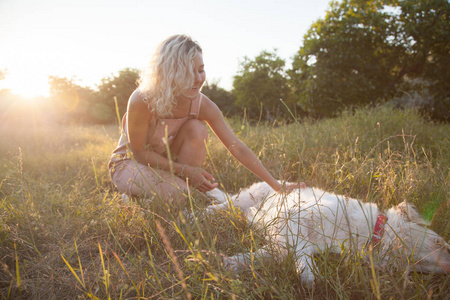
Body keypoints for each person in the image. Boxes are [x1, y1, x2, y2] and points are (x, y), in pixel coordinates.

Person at [108, 34, 302, 202]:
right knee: (183, 195)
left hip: (170, 167)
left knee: (197, 128)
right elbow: (139, 153)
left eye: (200, 70)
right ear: (170, 74)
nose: (198, 79)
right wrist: (185, 171)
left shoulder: (203, 105)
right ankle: (144, 195)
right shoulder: (142, 99)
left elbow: (237, 147)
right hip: (131, 164)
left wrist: (277, 185)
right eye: (188, 72)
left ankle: (171, 192)